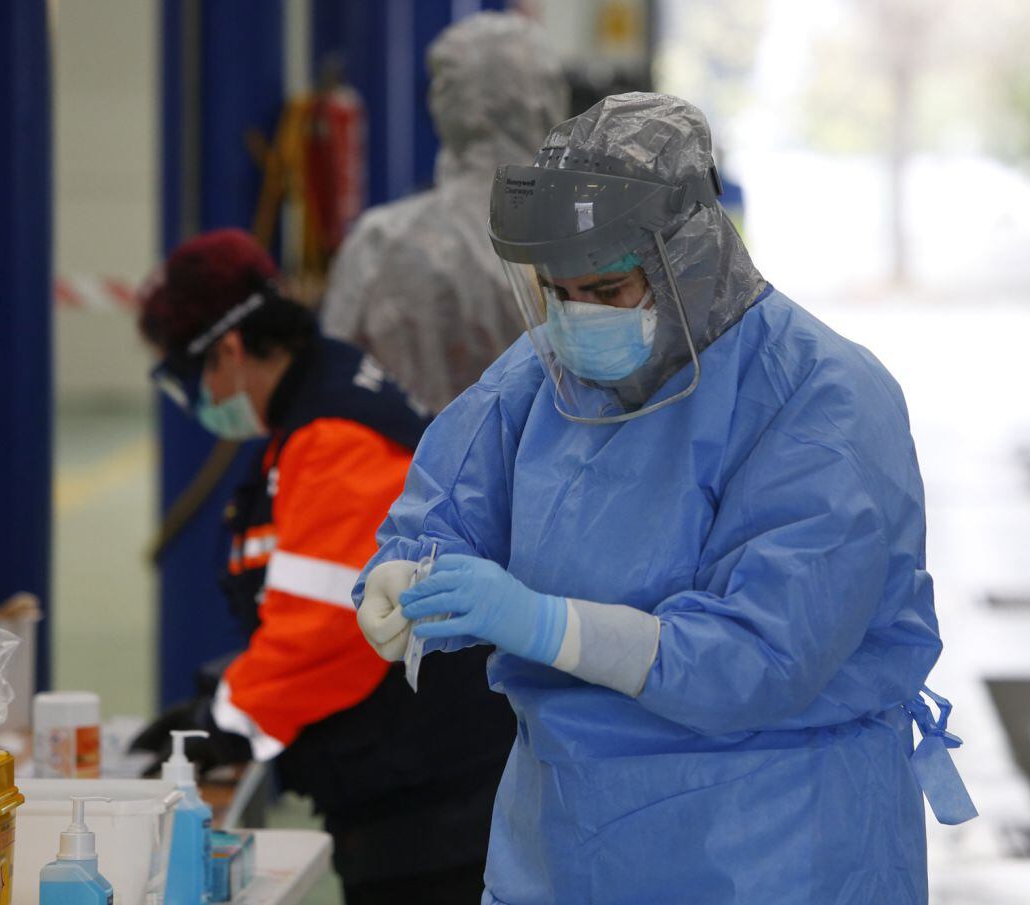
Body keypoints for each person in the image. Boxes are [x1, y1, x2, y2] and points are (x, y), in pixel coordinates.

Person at [354, 95, 977, 904]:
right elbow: (450, 499)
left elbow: (765, 655)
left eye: (609, 288)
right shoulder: (544, 375)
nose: (579, 317)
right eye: (558, 290)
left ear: (688, 255)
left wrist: (547, 624)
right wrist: (405, 571)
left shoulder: (823, 398)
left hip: (771, 846)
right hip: (562, 842)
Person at [135, 229, 517, 904]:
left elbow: (329, 626)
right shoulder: (323, 396)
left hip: (430, 800)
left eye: (190, 378)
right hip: (413, 777)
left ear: (228, 349)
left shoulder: (333, 433)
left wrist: (225, 720)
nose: (198, 399)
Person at [320, 11, 567, 414]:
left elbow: (334, 383)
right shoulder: (590, 237)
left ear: (450, 103)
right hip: (550, 473)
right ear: (545, 97)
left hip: (405, 471)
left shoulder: (382, 241)